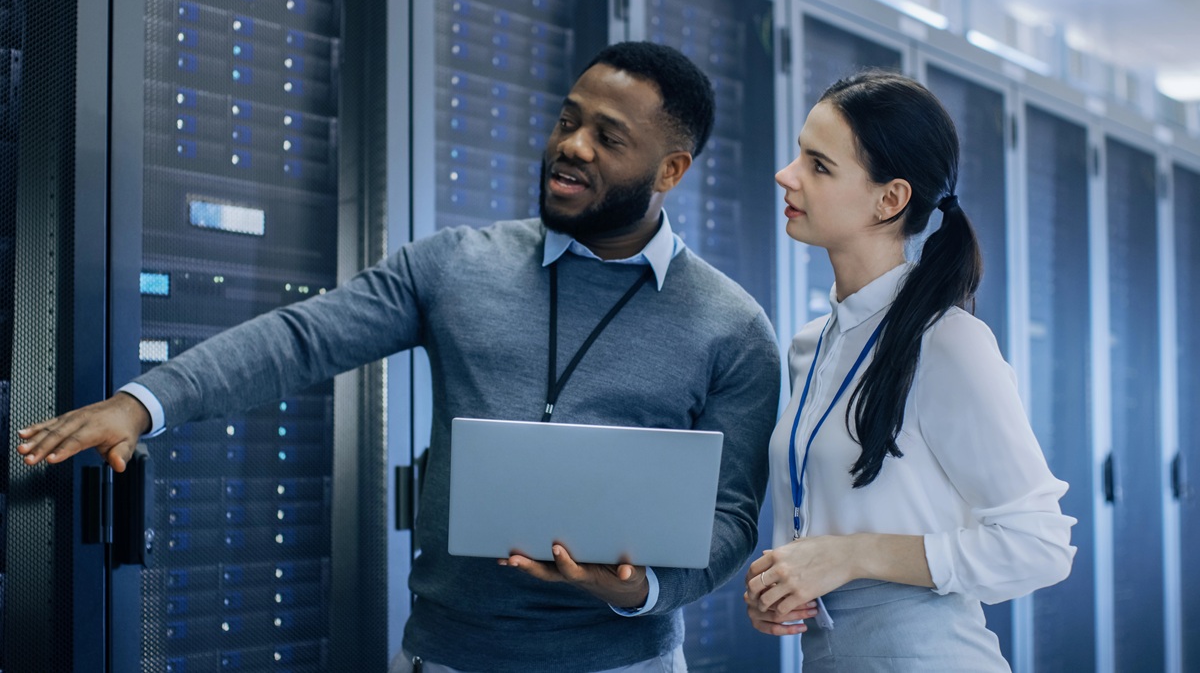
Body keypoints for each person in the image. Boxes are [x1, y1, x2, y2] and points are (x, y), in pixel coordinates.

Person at [16, 42, 782, 672]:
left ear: (672, 171)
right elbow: (302, 338)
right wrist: (144, 403)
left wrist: (639, 588)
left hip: (624, 663)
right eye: (567, 120)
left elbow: (733, 517)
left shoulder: (733, 327)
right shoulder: (456, 265)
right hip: (445, 655)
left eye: (608, 138)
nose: (570, 147)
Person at [743, 70, 1075, 670]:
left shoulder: (948, 344)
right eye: (799, 155)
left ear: (890, 199)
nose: (786, 175)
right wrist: (788, 584)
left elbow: (1040, 546)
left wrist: (855, 556)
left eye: (818, 165)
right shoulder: (809, 346)